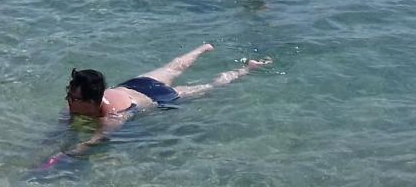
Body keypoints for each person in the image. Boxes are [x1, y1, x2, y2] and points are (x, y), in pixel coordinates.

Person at [47, 44, 272, 166]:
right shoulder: (76, 104)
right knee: (173, 67)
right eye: (69, 94)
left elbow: (95, 140)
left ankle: (246, 69)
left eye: (73, 98)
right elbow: (63, 126)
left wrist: (66, 156)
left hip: (158, 96)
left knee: (210, 87)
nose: (68, 100)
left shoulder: (113, 116)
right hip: (135, 84)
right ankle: (203, 48)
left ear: (91, 101)